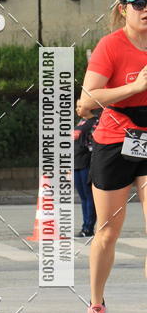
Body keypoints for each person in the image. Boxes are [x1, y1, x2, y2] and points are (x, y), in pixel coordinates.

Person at [79, 0, 147, 313]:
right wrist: (135, 87)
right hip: (116, 139)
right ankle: (96, 307)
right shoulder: (111, 46)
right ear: (123, 10)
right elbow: (87, 100)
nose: (146, 10)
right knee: (108, 232)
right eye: (139, 3)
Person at [73, 100, 99, 237]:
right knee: (83, 197)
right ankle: (85, 225)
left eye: (80, 106)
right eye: (77, 106)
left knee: (89, 196)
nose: (77, 109)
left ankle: (88, 227)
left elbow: (94, 146)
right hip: (76, 164)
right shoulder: (80, 123)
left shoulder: (95, 122)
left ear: (89, 107)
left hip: (87, 165)